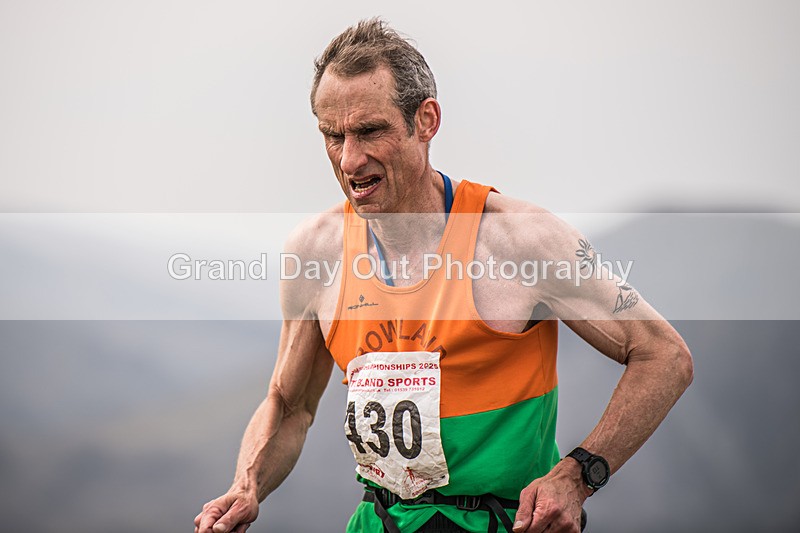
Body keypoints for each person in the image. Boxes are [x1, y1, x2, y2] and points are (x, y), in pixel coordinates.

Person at [194, 18, 693, 533]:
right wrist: (247, 485)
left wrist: (577, 476)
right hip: (379, 521)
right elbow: (289, 404)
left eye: (370, 131)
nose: (349, 159)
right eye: (332, 135)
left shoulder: (520, 239)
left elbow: (664, 356)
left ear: (426, 120)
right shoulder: (315, 252)